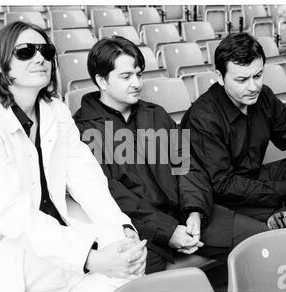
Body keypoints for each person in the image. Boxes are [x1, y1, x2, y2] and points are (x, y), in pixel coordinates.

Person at [0, 22, 147, 292]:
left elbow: (88, 180)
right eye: (26, 51)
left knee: (129, 265)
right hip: (4, 250)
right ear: (2, 67)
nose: (40, 57)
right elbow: (11, 214)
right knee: (109, 267)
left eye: (45, 50)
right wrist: (91, 258)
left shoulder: (56, 110)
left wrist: (122, 229)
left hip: (54, 238)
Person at [74, 36, 268, 274]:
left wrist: (195, 211)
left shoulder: (155, 115)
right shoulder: (84, 130)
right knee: (160, 285)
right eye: (126, 77)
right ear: (102, 81)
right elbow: (110, 194)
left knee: (261, 240)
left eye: (139, 74)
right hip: (141, 231)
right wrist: (168, 231)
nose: (136, 83)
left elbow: (187, 165)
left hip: (185, 214)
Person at [180, 32, 286, 230]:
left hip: (257, 178)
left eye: (257, 76)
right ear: (220, 78)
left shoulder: (263, 95)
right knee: (231, 206)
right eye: (242, 80)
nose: (253, 87)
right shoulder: (203, 117)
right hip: (226, 194)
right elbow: (223, 185)